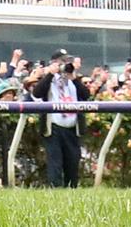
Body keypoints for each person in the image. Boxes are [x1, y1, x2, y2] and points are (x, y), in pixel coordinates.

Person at [31, 49, 90, 188]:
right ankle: (55, 190)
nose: (66, 65)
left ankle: (72, 189)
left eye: (67, 62)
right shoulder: (48, 80)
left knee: (73, 161)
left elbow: (86, 95)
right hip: (54, 127)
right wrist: (50, 74)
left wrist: (74, 78)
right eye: (62, 62)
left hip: (72, 127)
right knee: (55, 162)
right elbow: (37, 93)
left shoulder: (73, 80)